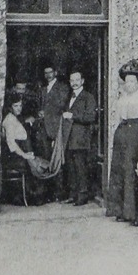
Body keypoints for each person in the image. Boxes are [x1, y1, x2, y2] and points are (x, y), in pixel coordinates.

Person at [106, 60, 138, 225]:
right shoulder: (122, 98)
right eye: (126, 81)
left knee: (131, 172)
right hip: (122, 134)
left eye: (132, 82)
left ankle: (135, 213)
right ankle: (120, 210)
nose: (128, 85)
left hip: (136, 135)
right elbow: (118, 118)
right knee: (119, 170)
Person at [62, 70, 98, 205]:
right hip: (69, 139)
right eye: (72, 81)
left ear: (82, 81)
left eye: (77, 80)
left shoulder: (88, 97)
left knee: (80, 168)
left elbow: (91, 117)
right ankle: (73, 194)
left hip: (81, 139)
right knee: (71, 168)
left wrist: (73, 116)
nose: (74, 83)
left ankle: (82, 196)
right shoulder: (69, 97)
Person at [1, 94, 43, 204]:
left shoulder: (15, 118)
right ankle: (32, 197)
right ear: (10, 107)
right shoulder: (9, 120)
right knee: (36, 165)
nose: (19, 108)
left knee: (40, 162)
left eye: (20, 105)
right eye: (15, 106)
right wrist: (24, 155)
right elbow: (11, 144)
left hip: (20, 154)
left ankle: (33, 195)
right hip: (15, 158)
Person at [37, 64, 70, 201]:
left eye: (50, 72)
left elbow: (61, 105)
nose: (48, 75)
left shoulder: (62, 87)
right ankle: (49, 194)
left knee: (58, 160)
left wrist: (47, 112)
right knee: (46, 160)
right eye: (46, 73)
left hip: (56, 128)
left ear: (55, 72)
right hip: (44, 128)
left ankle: (59, 193)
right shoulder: (43, 89)